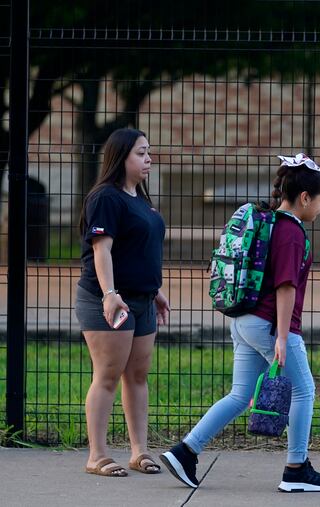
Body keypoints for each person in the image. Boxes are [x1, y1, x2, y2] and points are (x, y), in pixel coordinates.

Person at [160, 154, 320, 493]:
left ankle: (185, 451)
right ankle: (296, 469)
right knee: (304, 391)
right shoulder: (290, 232)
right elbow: (286, 286)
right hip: (270, 323)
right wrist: (283, 337)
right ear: (304, 198)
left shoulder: (267, 223)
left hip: (243, 320)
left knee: (240, 394)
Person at [75, 128, 170, 477]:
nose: (148, 159)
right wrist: (110, 294)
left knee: (138, 375)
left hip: (143, 301)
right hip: (109, 300)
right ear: (121, 157)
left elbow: (139, 249)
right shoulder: (106, 198)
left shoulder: (138, 198)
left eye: (148, 152)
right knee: (108, 375)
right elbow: (102, 252)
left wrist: (154, 291)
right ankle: (96, 456)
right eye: (141, 153)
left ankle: (139, 452)